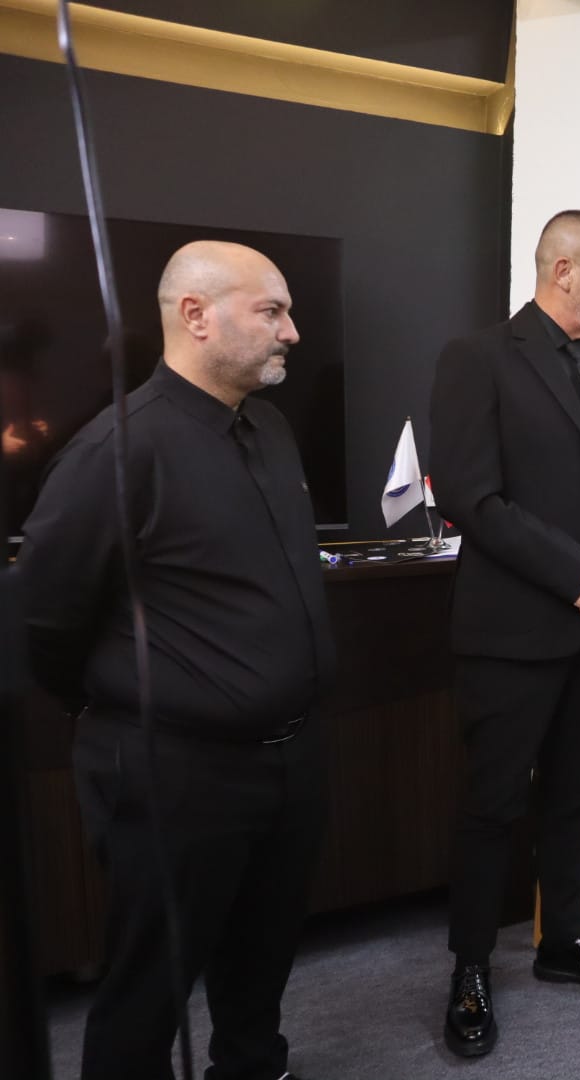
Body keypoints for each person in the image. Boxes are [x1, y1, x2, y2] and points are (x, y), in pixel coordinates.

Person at [19, 240, 333, 1080]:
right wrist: (126, 705)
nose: (292, 332)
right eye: (272, 311)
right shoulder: (116, 451)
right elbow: (43, 618)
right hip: (176, 771)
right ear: (196, 315)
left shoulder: (269, 429)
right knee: (150, 984)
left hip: (290, 757)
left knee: (262, 958)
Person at [430, 209, 580, 1059]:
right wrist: (574, 572)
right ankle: (470, 968)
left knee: (570, 797)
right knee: (492, 805)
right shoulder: (479, 358)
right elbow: (471, 495)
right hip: (513, 632)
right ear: (564, 269)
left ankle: (563, 939)